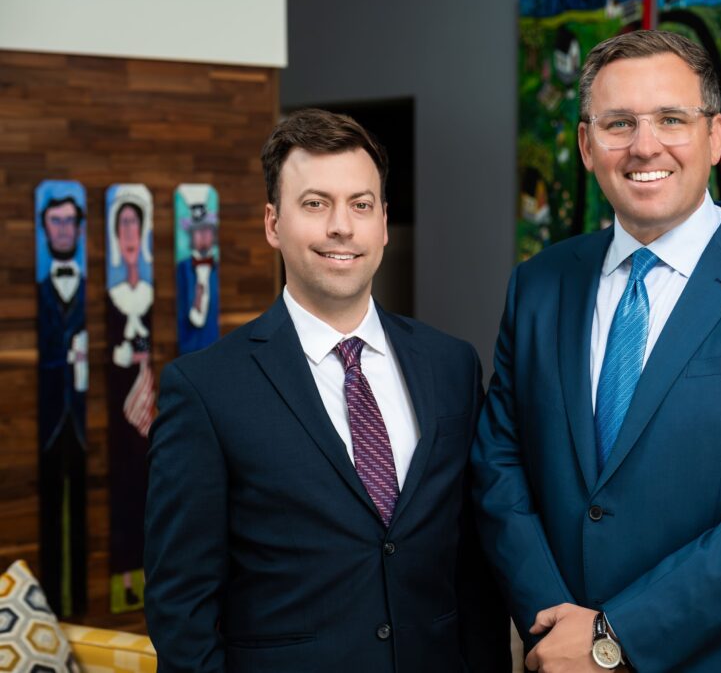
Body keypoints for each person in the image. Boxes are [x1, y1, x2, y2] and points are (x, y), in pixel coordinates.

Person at [473, 30, 721, 673]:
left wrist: (612, 637)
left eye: (671, 119)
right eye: (618, 123)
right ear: (586, 145)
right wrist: (552, 623)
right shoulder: (538, 283)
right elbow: (498, 465)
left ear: (716, 137)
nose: (644, 145)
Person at [145, 109, 509, 672]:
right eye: (315, 204)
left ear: (383, 222)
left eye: (361, 205)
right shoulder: (205, 390)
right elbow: (180, 608)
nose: (342, 227)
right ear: (273, 224)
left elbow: (475, 569)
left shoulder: (452, 366)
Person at [36, 191, 89, 617]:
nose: (63, 229)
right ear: (45, 230)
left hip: (83, 420)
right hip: (51, 413)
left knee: (81, 509)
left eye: (69, 221)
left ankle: (81, 604)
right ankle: (54, 605)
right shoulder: (39, 291)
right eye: (56, 222)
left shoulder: (91, 289)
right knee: (50, 510)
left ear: (79, 229)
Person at [106, 192, 156, 609]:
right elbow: (117, 352)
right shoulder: (116, 293)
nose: (129, 232)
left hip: (146, 405)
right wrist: (126, 355)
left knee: (148, 488)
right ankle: (124, 577)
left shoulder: (148, 292)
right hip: (119, 410)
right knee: (123, 488)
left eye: (134, 224)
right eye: (122, 225)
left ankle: (147, 574)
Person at [176, 203, 220, 353]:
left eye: (207, 229)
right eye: (198, 230)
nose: (203, 235)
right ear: (191, 235)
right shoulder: (182, 268)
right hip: (188, 346)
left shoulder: (216, 268)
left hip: (213, 345)